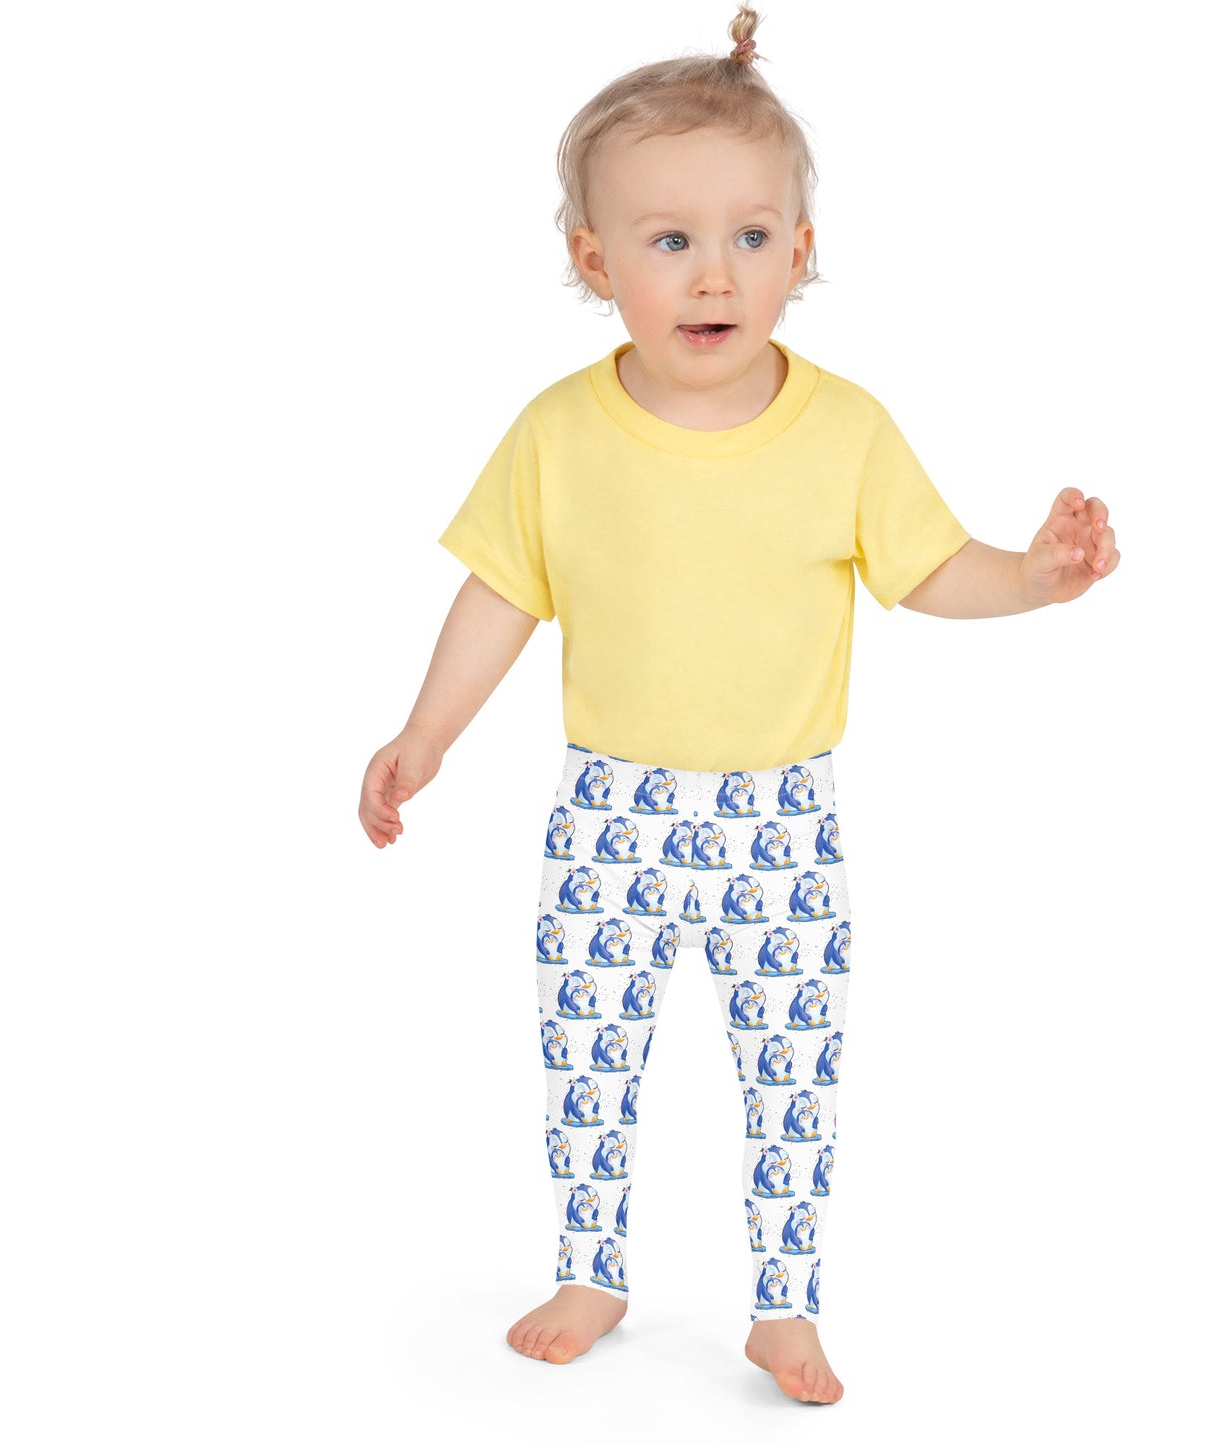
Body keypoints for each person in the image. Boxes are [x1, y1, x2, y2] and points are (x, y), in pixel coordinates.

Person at [358, 4, 1119, 1408]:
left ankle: (786, 1304)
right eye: (668, 241)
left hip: (781, 813)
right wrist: (426, 734)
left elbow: (928, 571)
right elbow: (500, 593)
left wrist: (1032, 575)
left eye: (751, 236)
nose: (715, 272)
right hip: (613, 804)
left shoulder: (844, 429)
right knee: (587, 1051)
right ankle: (592, 1266)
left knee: (792, 1067)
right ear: (594, 260)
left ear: (801, 250)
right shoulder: (558, 433)